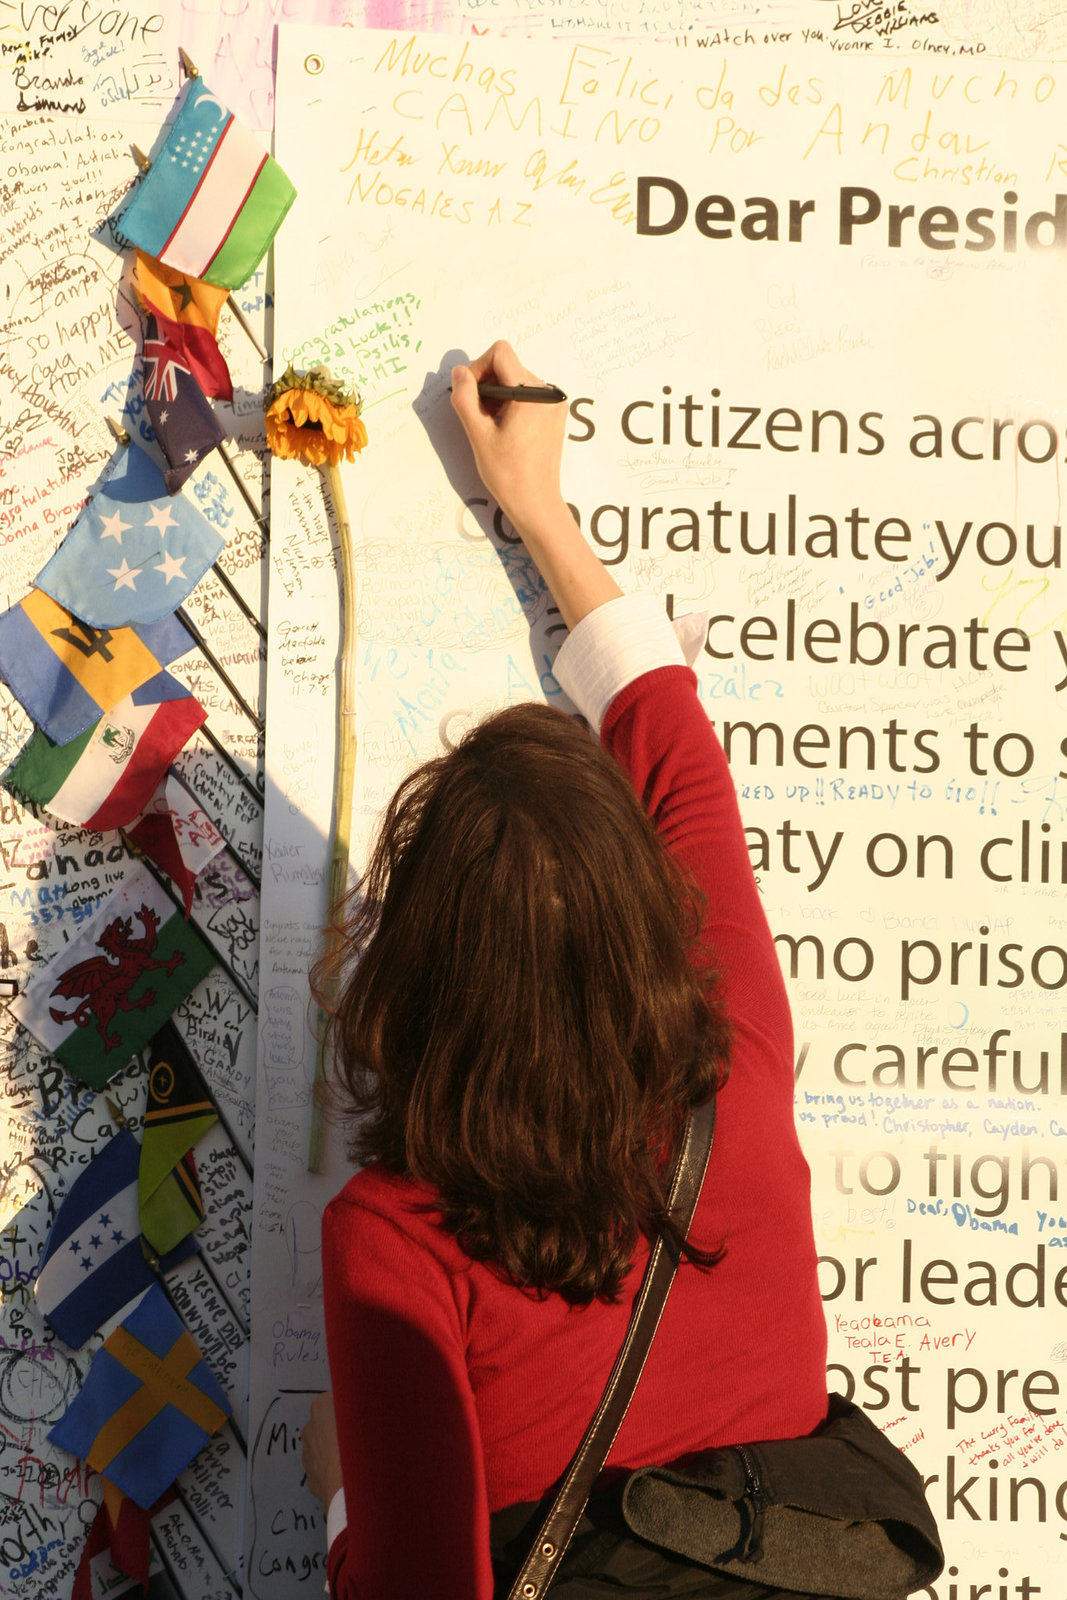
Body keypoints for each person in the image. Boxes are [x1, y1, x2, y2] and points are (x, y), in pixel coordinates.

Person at [301, 340, 829, 1599]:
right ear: (644, 916)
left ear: (422, 973)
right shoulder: (736, 1070)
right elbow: (678, 759)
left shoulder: (390, 1241)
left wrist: (334, 1495)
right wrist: (541, 507)